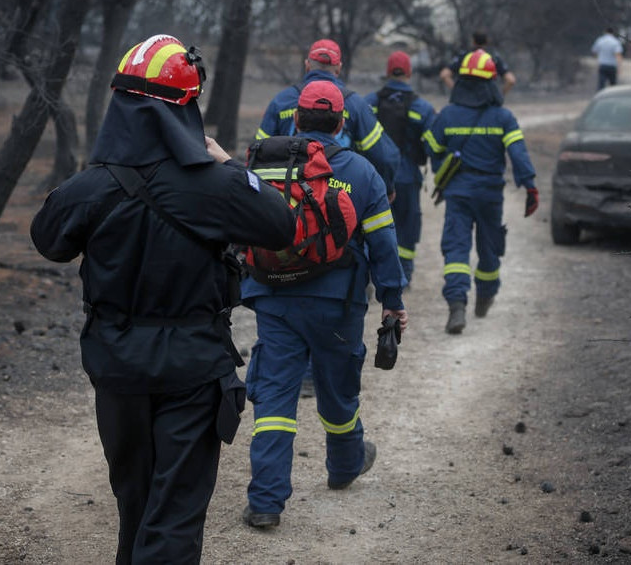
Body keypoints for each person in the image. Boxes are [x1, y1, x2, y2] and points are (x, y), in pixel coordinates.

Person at [30, 34, 296, 564]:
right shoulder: (217, 186)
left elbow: (49, 240)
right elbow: (280, 224)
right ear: (185, 110)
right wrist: (231, 167)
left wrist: (90, 182)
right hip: (192, 369)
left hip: (117, 368)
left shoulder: (91, 187)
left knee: (136, 507)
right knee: (172, 517)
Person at [241, 80, 409, 529]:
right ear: (340, 123)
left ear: (296, 119)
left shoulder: (266, 164)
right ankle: (345, 465)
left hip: (275, 298)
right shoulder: (361, 172)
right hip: (338, 302)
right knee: (337, 387)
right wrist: (392, 301)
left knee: (275, 394)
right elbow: (383, 243)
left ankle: (265, 502)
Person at [430, 49, 538, 335]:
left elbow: (433, 147)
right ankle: (485, 296)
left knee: (456, 247)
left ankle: (456, 305)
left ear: (461, 82)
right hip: (490, 194)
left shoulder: (447, 115)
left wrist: (444, 168)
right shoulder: (503, 117)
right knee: (489, 248)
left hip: (458, 193)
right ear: (492, 83)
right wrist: (530, 186)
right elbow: (518, 153)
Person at [256, 38, 401, 201]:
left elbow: (258, 152)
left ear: (307, 65)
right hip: (340, 197)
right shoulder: (355, 105)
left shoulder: (281, 101)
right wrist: (387, 189)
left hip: (288, 198)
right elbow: (384, 156)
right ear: (338, 68)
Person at [364, 50, 439, 283]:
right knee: (407, 225)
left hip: (374, 178)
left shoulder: (369, 103)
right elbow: (434, 145)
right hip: (407, 177)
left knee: (372, 225)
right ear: (409, 72)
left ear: (387, 72)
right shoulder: (422, 107)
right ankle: (404, 273)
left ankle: (372, 273)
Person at [439, 30, 516, 96]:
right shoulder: (493, 57)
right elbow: (511, 80)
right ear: (487, 41)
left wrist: (458, 93)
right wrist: (499, 96)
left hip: (467, 99)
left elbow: (444, 74)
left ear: (473, 41)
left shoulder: (465, 56)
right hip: (487, 99)